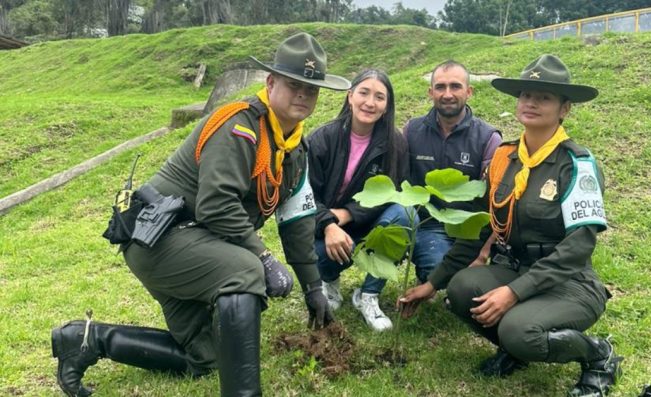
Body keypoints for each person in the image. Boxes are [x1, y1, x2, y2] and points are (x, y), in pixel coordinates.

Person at [51, 32, 350, 397]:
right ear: (271, 83)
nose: (303, 95)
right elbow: (216, 205)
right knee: (246, 271)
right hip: (162, 241)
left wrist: (313, 288)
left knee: (207, 358)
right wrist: (264, 257)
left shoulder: (294, 148)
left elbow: (297, 221)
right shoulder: (239, 127)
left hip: (194, 241)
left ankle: (86, 340)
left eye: (311, 89)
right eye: (293, 85)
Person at [398, 54, 622, 397]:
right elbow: (480, 227)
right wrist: (433, 283)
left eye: (543, 97)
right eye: (525, 95)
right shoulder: (505, 158)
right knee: (460, 290)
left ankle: (597, 354)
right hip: (516, 268)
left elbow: (579, 247)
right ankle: (516, 350)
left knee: (519, 330)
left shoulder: (576, 164)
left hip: (569, 282)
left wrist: (513, 293)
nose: (530, 103)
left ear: (564, 109)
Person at [307, 69, 410, 332]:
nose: (370, 102)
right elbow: (304, 195)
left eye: (379, 97)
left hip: (369, 225)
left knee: (405, 214)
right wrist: (330, 224)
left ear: (387, 107)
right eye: (363, 93)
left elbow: (392, 191)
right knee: (315, 255)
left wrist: (348, 214)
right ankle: (329, 282)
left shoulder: (395, 143)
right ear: (350, 96)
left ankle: (369, 295)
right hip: (325, 228)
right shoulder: (322, 138)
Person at [402, 60, 502, 284]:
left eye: (455, 86)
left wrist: (483, 252)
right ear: (430, 92)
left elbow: (497, 202)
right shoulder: (411, 131)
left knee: (458, 280)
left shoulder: (488, 138)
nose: (447, 94)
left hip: (468, 228)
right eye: (440, 87)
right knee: (437, 270)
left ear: (469, 92)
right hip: (427, 225)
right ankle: (426, 268)